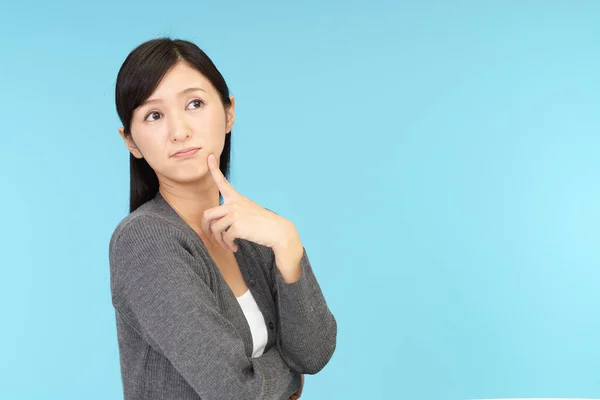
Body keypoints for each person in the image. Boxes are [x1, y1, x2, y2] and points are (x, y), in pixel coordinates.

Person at [108, 37, 337, 400]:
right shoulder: (145, 241)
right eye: (154, 115)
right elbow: (235, 391)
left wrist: (287, 241)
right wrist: (290, 376)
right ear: (131, 141)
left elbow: (313, 352)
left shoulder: (255, 230)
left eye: (195, 104)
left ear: (229, 113)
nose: (179, 131)